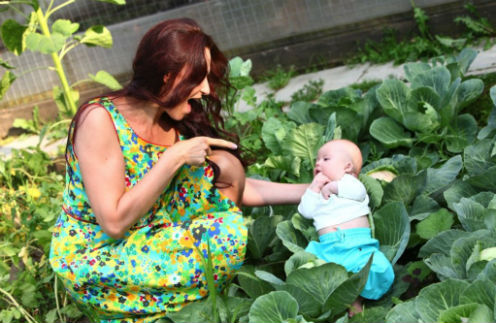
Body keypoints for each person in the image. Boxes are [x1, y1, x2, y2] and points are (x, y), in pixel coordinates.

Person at [49, 18, 307, 323]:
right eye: (197, 78)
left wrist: (314, 190)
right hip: (99, 256)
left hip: (153, 236)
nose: (207, 89)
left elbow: (237, 184)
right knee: (223, 235)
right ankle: (164, 306)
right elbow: (113, 223)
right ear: (167, 77)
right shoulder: (101, 120)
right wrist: (173, 158)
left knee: (225, 166)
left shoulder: (172, 121)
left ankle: (181, 305)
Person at [298, 139, 394, 312]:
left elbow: (358, 192)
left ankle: (357, 297)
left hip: (357, 246)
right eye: (317, 160)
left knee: (377, 269)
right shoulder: (318, 193)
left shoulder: (351, 183)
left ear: (348, 167)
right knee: (315, 271)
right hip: (328, 248)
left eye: (325, 159)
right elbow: (306, 211)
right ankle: (349, 301)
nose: (318, 163)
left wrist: (333, 187)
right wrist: (314, 187)